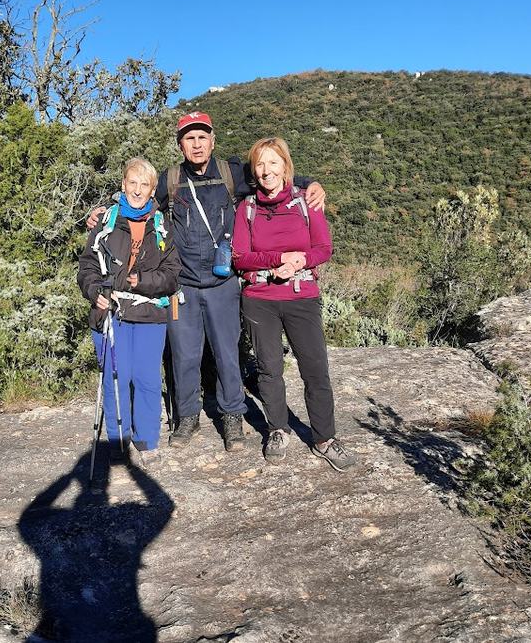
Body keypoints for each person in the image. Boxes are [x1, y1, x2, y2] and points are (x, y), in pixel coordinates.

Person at [88, 112, 326, 452]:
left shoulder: (233, 174)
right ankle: (187, 417)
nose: (197, 144)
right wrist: (103, 210)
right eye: (189, 138)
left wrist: (311, 182)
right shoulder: (171, 181)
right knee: (184, 355)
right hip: (181, 285)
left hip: (223, 282)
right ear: (181, 145)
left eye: (202, 137)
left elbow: (274, 175)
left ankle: (232, 416)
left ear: (212, 141)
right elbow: (137, 203)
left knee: (227, 353)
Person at [232, 137, 355, 472]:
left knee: (315, 369)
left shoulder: (306, 203)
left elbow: (324, 248)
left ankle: (324, 438)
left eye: (273, 163)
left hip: (302, 298)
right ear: (253, 171)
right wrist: (278, 259)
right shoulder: (247, 209)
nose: (266, 170)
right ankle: (277, 429)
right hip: (260, 300)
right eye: (260, 164)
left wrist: (299, 260)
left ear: (286, 168)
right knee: (270, 369)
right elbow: (241, 257)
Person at [77, 157, 180, 466]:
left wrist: (143, 281)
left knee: (147, 377)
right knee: (115, 378)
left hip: (149, 314)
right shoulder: (105, 221)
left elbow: (173, 273)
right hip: (111, 312)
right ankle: (119, 440)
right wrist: (95, 292)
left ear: (152, 191)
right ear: (123, 185)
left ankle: (147, 439)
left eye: (144, 185)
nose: (137, 190)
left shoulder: (162, 225)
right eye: (132, 183)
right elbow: (88, 266)